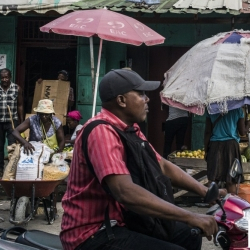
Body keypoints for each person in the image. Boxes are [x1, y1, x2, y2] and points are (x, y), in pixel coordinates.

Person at [61, 69, 218, 250]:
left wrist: (205, 192)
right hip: (93, 233)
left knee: (189, 235)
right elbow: (124, 191)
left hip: (122, 221)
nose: (147, 99)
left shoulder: (130, 128)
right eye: (141, 94)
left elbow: (162, 165)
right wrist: (190, 216)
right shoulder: (101, 132)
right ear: (121, 100)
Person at [204, 107, 250, 194]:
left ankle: (212, 203)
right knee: (231, 180)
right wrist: (248, 125)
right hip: (231, 147)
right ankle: (231, 204)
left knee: (213, 179)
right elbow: (242, 132)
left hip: (215, 146)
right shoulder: (238, 110)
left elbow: (207, 132)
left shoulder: (211, 109)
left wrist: (206, 150)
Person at [0, 69, 24, 177]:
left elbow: (20, 106)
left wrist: (21, 123)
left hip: (12, 123)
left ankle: (11, 168)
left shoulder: (17, 88)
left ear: (10, 77)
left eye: (6, 77)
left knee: (12, 146)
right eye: (2, 77)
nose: (4, 79)